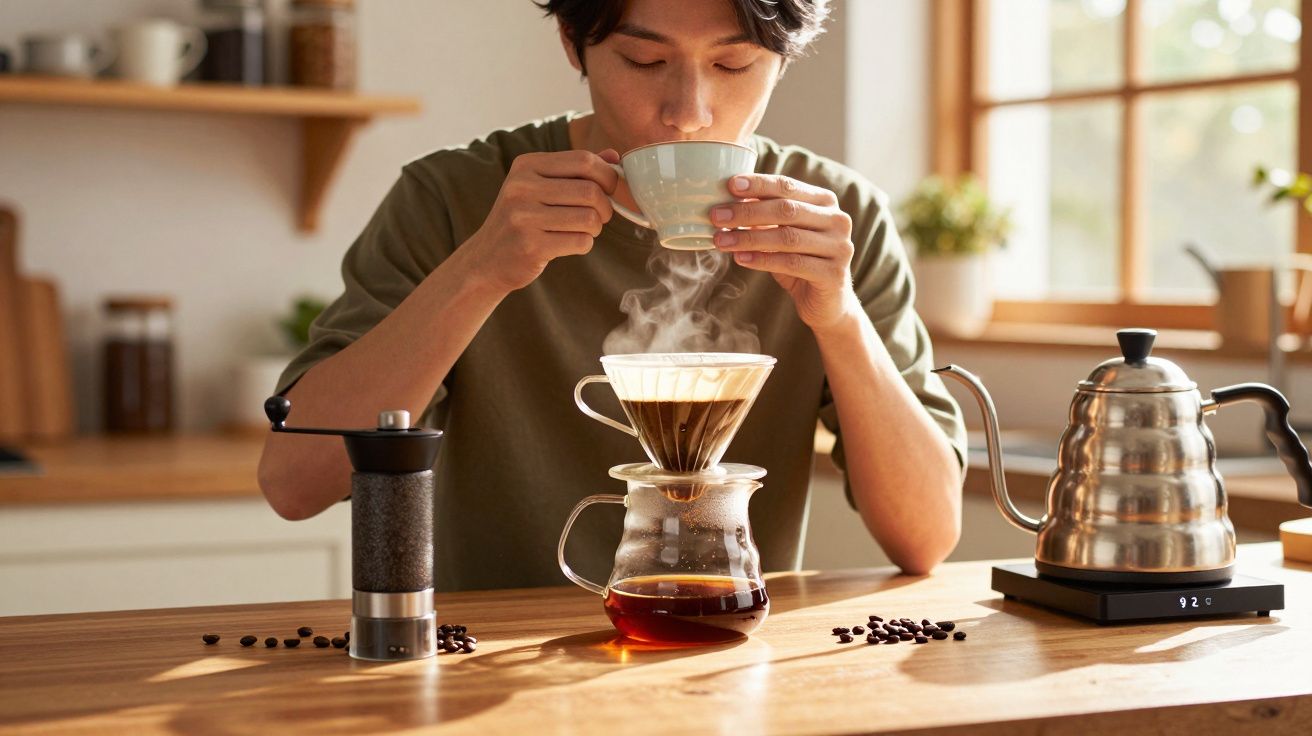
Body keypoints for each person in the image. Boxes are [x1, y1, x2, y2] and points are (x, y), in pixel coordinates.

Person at [258, 0, 967, 592]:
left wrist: (838, 318)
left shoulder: (836, 221)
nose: (688, 113)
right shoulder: (455, 199)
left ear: (783, 59)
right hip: (489, 662)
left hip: (726, 651)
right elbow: (295, 483)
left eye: (734, 65)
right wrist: (479, 271)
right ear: (575, 42)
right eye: (644, 61)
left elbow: (927, 536)